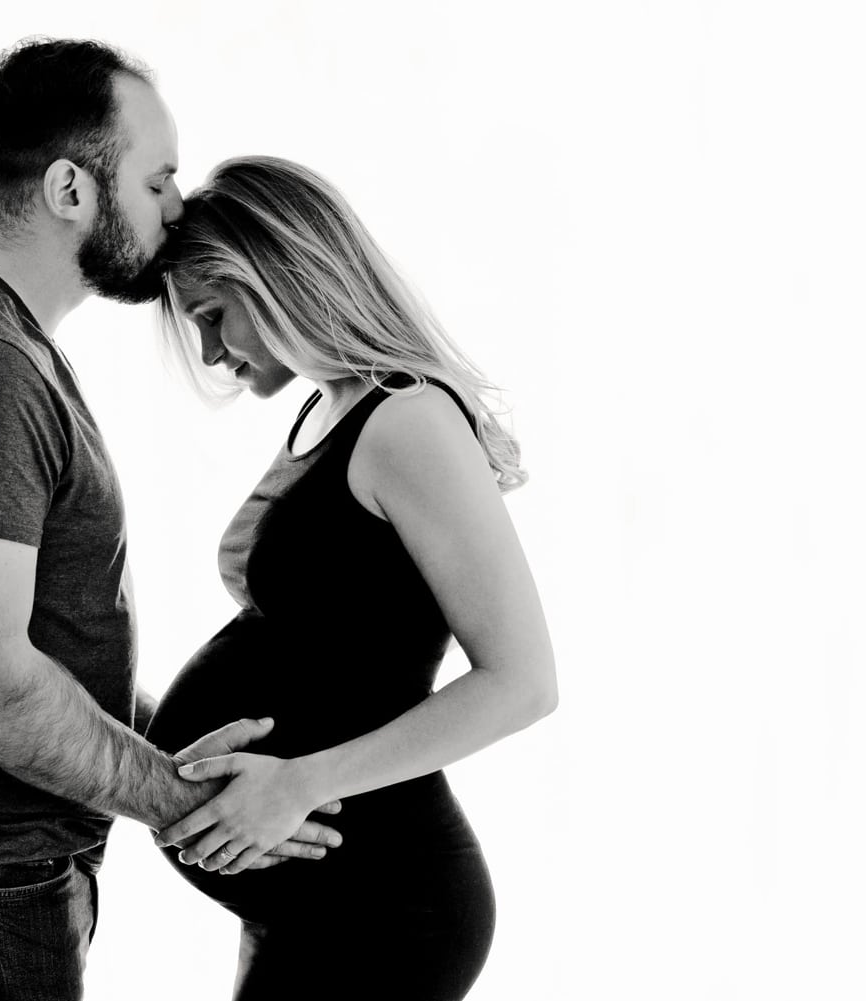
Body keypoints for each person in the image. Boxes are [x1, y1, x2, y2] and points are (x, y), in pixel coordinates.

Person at [0, 40, 340, 1001]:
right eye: (158, 179)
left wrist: (183, 747)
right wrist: (178, 800)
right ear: (70, 190)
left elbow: (34, 646)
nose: (180, 205)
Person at [144, 156, 558, 1000]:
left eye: (215, 317)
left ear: (280, 277)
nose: (214, 353)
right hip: (315, 897)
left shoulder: (408, 421)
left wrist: (301, 781)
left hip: (387, 899)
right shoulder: (326, 408)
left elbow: (525, 683)